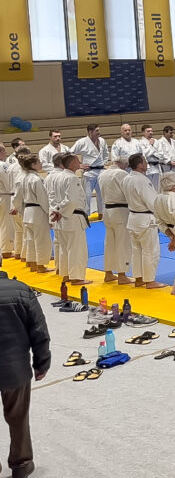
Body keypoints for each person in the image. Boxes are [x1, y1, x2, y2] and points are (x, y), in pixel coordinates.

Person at [0, 275, 50, 478]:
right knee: (18, 417)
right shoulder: (22, 290)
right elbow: (39, 331)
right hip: (16, 369)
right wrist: (42, 363)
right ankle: (22, 465)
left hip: (15, 367)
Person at [121, 153, 163, 289]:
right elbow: (152, 202)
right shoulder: (142, 180)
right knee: (150, 250)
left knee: (136, 251)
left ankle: (139, 278)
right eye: (144, 161)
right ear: (139, 165)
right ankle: (150, 281)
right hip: (145, 219)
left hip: (133, 218)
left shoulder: (126, 179)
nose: (146, 164)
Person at [50, 153, 90, 285]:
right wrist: (60, 211)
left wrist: (56, 211)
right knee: (76, 249)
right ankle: (76, 277)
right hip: (72, 217)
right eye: (77, 161)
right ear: (72, 164)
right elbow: (71, 200)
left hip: (62, 219)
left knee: (64, 248)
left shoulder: (57, 177)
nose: (79, 163)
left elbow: (55, 198)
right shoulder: (71, 178)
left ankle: (66, 275)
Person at [16, 154, 52, 273]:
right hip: (37, 211)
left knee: (30, 240)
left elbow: (19, 197)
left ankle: (32, 263)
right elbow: (43, 199)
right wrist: (50, 213)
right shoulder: (36, 179)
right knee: (41, 239)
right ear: (33, 165)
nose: (41, 164)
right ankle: (41, 266)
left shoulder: (24, 178)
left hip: (27, 211)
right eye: (39, 162)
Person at [98, 157, 131, 284]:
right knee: (122, 243)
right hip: (120, 211)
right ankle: (122, 275)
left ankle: (108, 273)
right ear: (122, 164)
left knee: (109, 243)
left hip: (107, 211)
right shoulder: (121, 174)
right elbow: (127, 192)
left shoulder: (103, 174)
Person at [71, 123, 109, 217]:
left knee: (102, 194)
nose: (99, 132)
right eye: (97, 131)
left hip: (101, 170)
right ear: (90, 132)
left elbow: (106, 153)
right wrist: (79, 165)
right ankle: (85, 215)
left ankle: (102, 214)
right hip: (89, 172)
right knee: (87, 196)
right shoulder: (82, 142)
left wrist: (103, 162)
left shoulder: (102, 141)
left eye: (99, 130)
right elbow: (70, 153)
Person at [0, 144, 14, 259]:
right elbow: (8, 183)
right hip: (4, 195)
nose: (5, 154)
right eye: (4, 151)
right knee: (5, 223)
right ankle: (5, 250)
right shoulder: (3, 165)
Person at [138, 125, 162, 191]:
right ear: (143, 133)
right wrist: (151, 146)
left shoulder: (157, 141)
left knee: (156, 188)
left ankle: (156, 201)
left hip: (156, 167)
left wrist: (152, 152)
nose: (150, 132)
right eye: (148, 131)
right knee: (148, 188)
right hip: (148, 168)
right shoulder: (140, 142)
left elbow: (161, 154)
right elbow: (144, 154)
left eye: (151, 131)